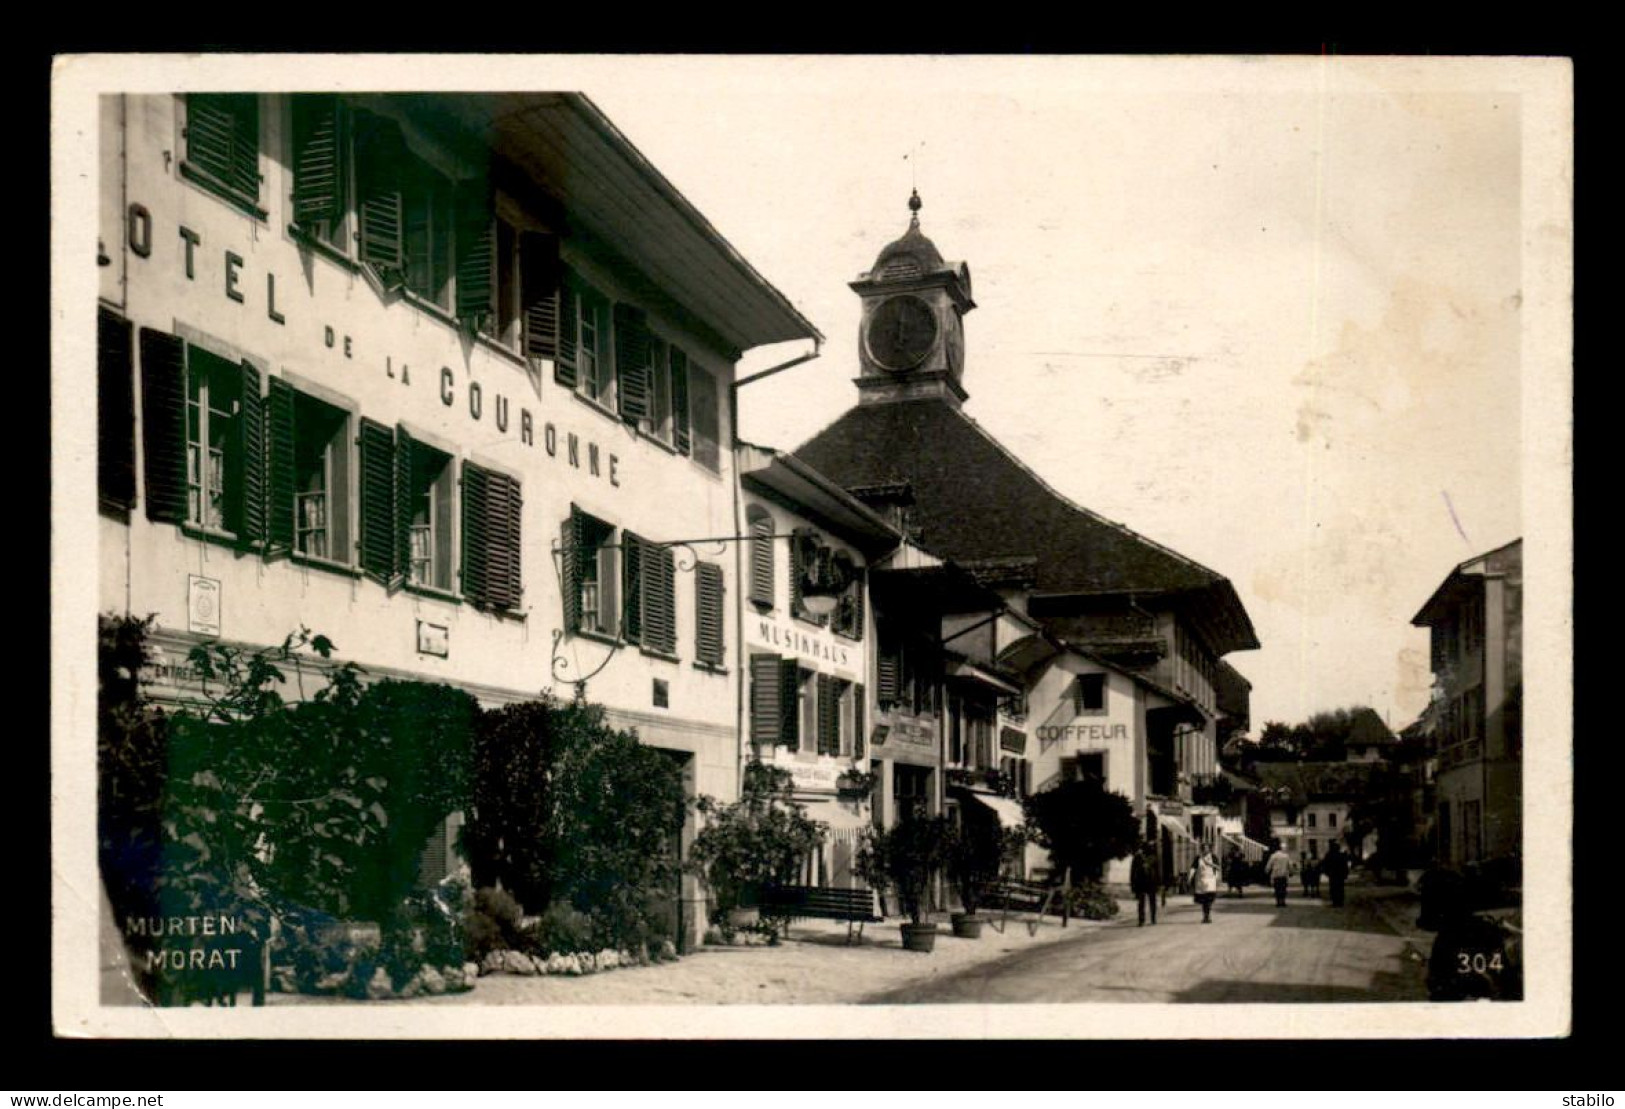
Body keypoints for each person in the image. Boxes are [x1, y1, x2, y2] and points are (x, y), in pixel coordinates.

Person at [1130, 836, 1162, 926]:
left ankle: (1153, 918)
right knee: (1141, 902)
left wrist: (1159, 883)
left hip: (1151, 882)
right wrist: (1133, 884)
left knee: (1152, 902)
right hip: (1141, 882)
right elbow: (1133, 871)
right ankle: (1141, 919)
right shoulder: (1138, 857)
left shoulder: (1154, 857)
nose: (1151, 848)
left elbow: (1158, 871)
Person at [1189, 842, 1222, 923]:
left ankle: (1207, 915)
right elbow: (1193, 868)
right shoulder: (1198, 858)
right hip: (1201, 881)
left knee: (1209, 900)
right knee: (1204, 900)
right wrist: (1189, 877)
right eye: (1203, 848)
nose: (1205, 850)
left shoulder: (1213, 857)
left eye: (1206, 848)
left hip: (1210, 881)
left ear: (1209, 849)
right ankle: (1206, 916)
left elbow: (1218, 868)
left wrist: (1217, 878)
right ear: (1201, 849)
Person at [1321, 841, 1351, 907]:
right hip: (1340, 875)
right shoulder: (1341, 855)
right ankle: (1340, 902)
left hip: (1333, 875)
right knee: (1340, 888)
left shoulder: (1329, 855)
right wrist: (1345, 874)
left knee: (1334, 888)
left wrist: (1327, 873)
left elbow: (1324, 865)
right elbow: (1345, 866)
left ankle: (1335, 902)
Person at [1265, 840, 1295, 907]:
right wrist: (1291, 872)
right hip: (1283, 875)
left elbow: (1269, 865)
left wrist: (1267, 871)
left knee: (1277, 889)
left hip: (1276, 875)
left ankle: (1278, 902)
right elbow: (1290, 865)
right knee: (1283, 889)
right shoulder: (1286, 856)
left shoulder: (1273, 856)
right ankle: (1283, 901)